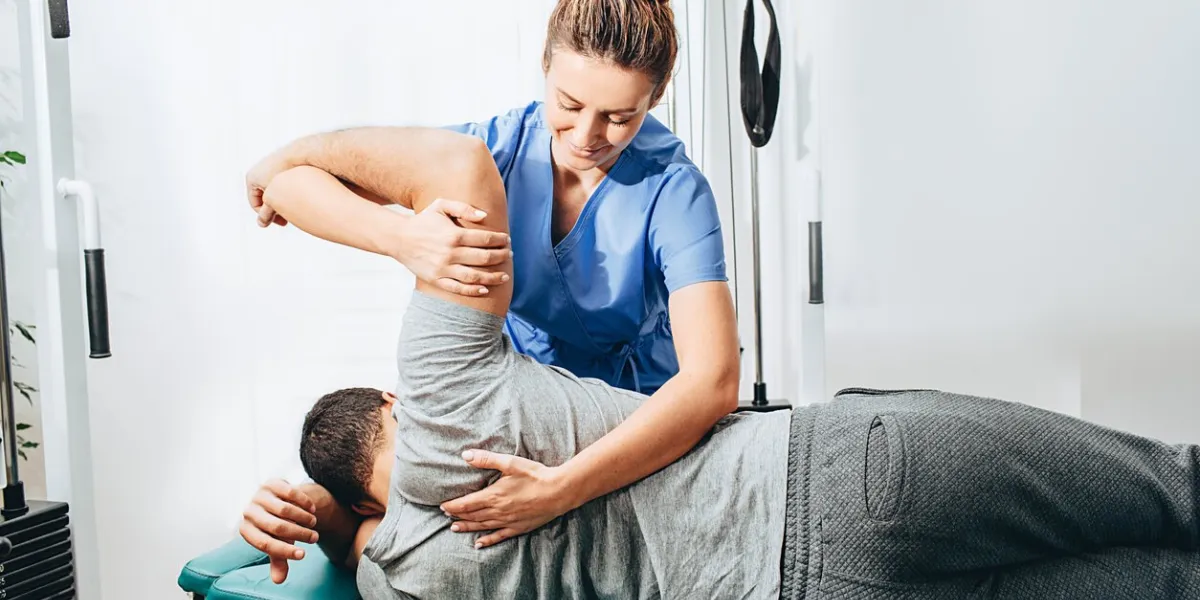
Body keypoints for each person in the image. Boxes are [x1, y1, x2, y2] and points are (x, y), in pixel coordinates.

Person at [254, 149, 1198, 600]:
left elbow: (356, 544)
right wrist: (371, 222)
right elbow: (458, 167)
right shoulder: (443, 390)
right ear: (393, 396)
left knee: (1164, 587)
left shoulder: (405, 577)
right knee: (1172, 488)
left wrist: (329, 515)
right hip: (829, 481)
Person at [239, 0, 742, 574]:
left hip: (632, 427)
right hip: (517, 410)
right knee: (422, 537)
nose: (586, 135)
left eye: (620, 117)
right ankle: (313, 511)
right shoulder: (494, 152)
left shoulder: (674, 191)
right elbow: (290, 187)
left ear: (656, 97)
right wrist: (401, 238)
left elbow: (714, 382)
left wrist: (561, 489)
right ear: (545, 64)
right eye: (569, 104)